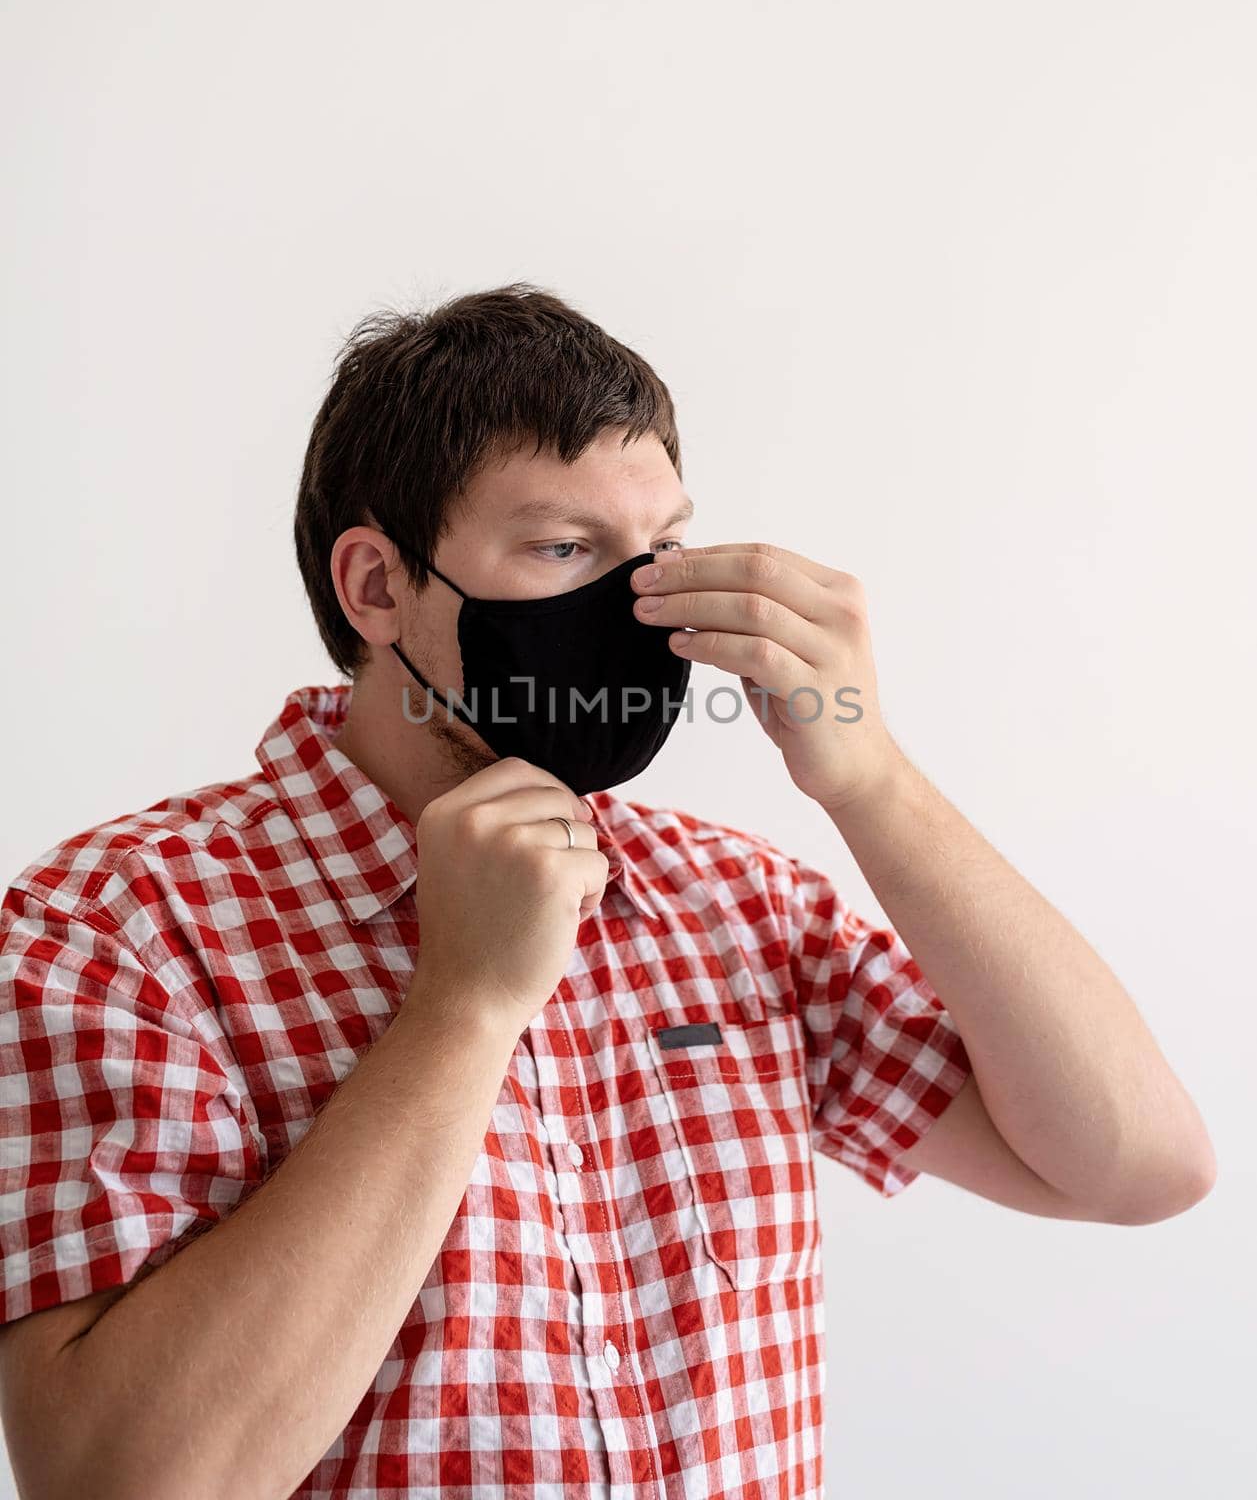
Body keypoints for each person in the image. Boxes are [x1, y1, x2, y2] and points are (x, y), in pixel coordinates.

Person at [0, 282, 1215, 1500]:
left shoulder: (732, 904)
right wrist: (463, 1007)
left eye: (662, 550)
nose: (638, 606)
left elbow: (1137, 1166)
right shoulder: (115, 932)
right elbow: (122, 1480)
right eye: (564, 548)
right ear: (375, 587)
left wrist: (872, 780)